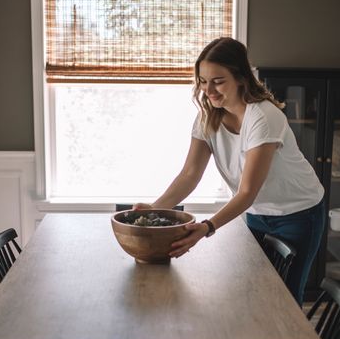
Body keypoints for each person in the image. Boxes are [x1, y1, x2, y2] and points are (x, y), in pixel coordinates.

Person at [135, 37, 325, 305]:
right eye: (202, 81)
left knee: (285, 299)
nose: (208, 90)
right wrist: (155, 211)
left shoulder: (264, 117)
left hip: (298, 214)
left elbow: (247, 191)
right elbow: (190, 174)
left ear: (240, 78)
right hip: (258, 214)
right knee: (255, 291)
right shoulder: (207, 117)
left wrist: (207, 227)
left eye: (218, 81)